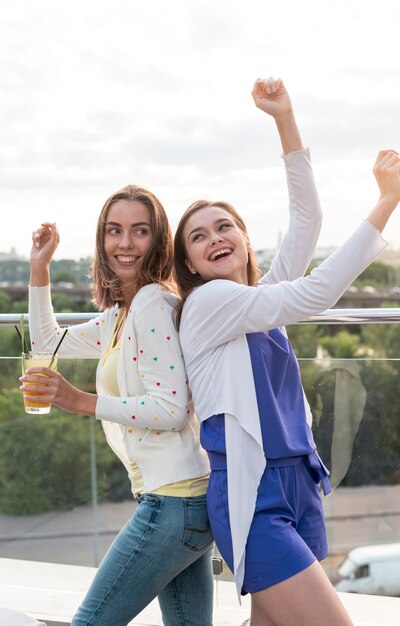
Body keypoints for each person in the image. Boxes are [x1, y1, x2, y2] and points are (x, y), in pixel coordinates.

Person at [173, 77, 400, 626]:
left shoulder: (255, 300)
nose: (214, 238)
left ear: (245, 239)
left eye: (224, 226)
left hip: (297, 482)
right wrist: (387, 202)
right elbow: (318, 292)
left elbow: (307, 223)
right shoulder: (210, 304)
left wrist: (284, 118)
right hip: (254, 497)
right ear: (191, 265)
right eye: (198, 238)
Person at [20, 186, 214, 626]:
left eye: (139, 231)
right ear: (101, 240)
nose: (125, 243)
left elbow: (169, 408)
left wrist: (79, 400)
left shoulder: (150, 306)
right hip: (185, 502)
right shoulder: (122, 313)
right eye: (114, 231)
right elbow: (49, 343)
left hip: (173, 503)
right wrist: (39, 268)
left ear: (159, 240)